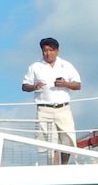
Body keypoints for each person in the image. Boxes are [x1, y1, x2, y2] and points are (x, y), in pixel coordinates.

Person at [22, 36, 82, 164]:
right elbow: (24, 86)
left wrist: (65, 84)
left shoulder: (66, 65)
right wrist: (35, 86)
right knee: (50, 142)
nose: (48, 53)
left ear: (57, 51)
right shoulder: (35, 66)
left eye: (51, 50)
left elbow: (78, 85)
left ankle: (64, 166)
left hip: (63, 107)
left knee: (67, 139)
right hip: (44, 108)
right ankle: (55, 168)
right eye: (45, 50)